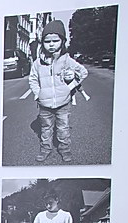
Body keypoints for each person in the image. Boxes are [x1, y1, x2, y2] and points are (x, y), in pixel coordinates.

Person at [29, 19, 88, 163]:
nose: (51, 44)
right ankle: (45, 149)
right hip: (44, 104)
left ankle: (64, 149)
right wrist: (37, 93)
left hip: (63, 103)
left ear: (62, 41)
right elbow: (33, 79)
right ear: (42, 43)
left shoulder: (67, 60)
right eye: (47, 41)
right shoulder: (38, 63)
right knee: (46, 128)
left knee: (63, 128)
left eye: (55, 41)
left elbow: (83, 73)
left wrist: (70, 86)